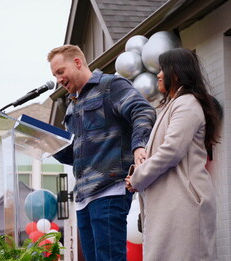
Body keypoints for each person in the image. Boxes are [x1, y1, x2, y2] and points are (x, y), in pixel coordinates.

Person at [47, 44, 156, 261]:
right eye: (54, 75)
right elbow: (77, 153)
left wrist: (139, 146)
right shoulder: (71, 106)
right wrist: (49, 145)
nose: (58, 79)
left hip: (109, 189)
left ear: (77, 62)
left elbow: (142, 110)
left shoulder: (110, 85)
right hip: (83, 196)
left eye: (61, 72)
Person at [125, 48, 221, 260]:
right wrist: (137, 173)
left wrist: (138, 177)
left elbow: (170, 151)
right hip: (174, 203)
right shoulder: (175, 105)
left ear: (176, 74)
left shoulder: (186, 104)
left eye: (162, 69)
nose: (158, 75)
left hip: (185, 203)